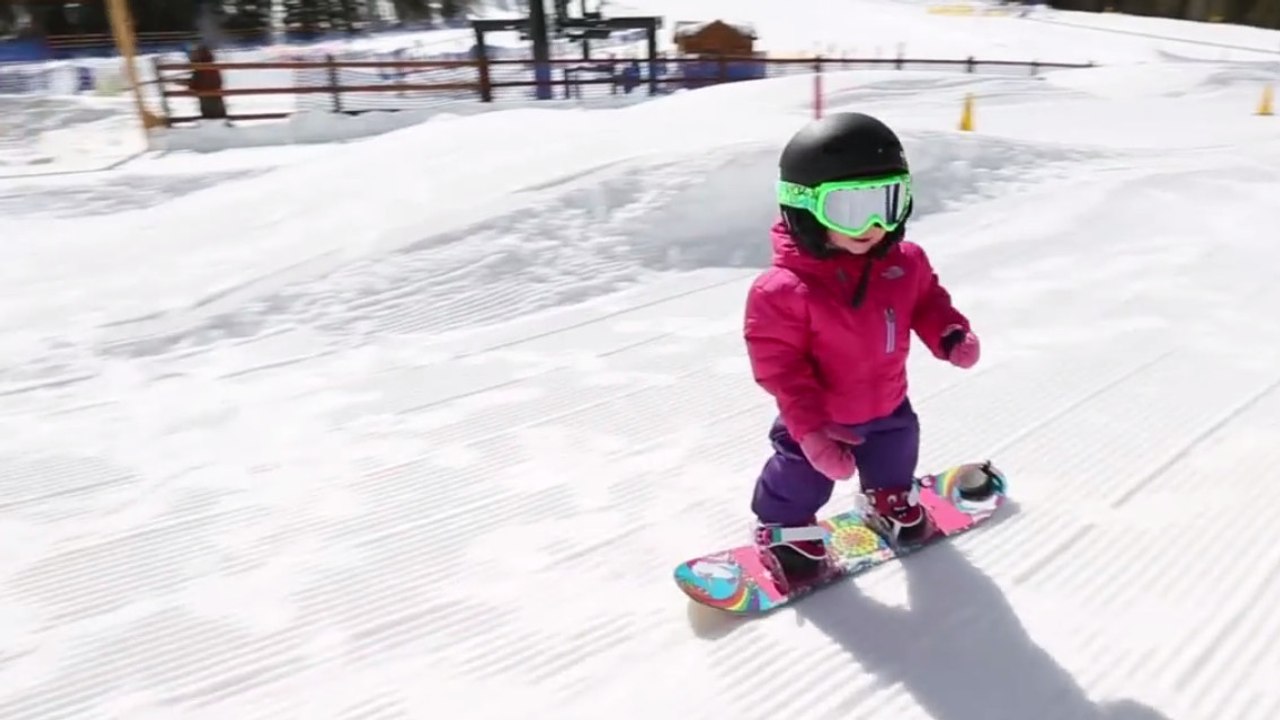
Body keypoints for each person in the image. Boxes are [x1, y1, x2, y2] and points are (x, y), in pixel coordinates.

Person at [743, 111, 981, 582]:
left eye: (887, 203)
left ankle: (886, 498)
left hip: (889, 402)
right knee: (802, 474)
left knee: (898, 450)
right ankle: (782, 525)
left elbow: (927, 301)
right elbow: (781, 371)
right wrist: (810, 432)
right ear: (805, 209)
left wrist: (948, 332)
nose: (872, 224)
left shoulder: (904, 262)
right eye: (850, 209)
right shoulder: (782, 290)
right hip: (820, 418)